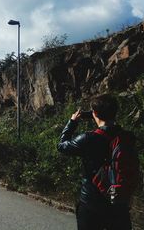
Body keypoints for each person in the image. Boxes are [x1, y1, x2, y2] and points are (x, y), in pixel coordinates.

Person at [57, 94, 134, 230]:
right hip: (118, 202)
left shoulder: (88, 138)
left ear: (95, 113)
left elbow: (62, 146)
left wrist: (72, 122)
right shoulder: (128, 137)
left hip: (91, 203)